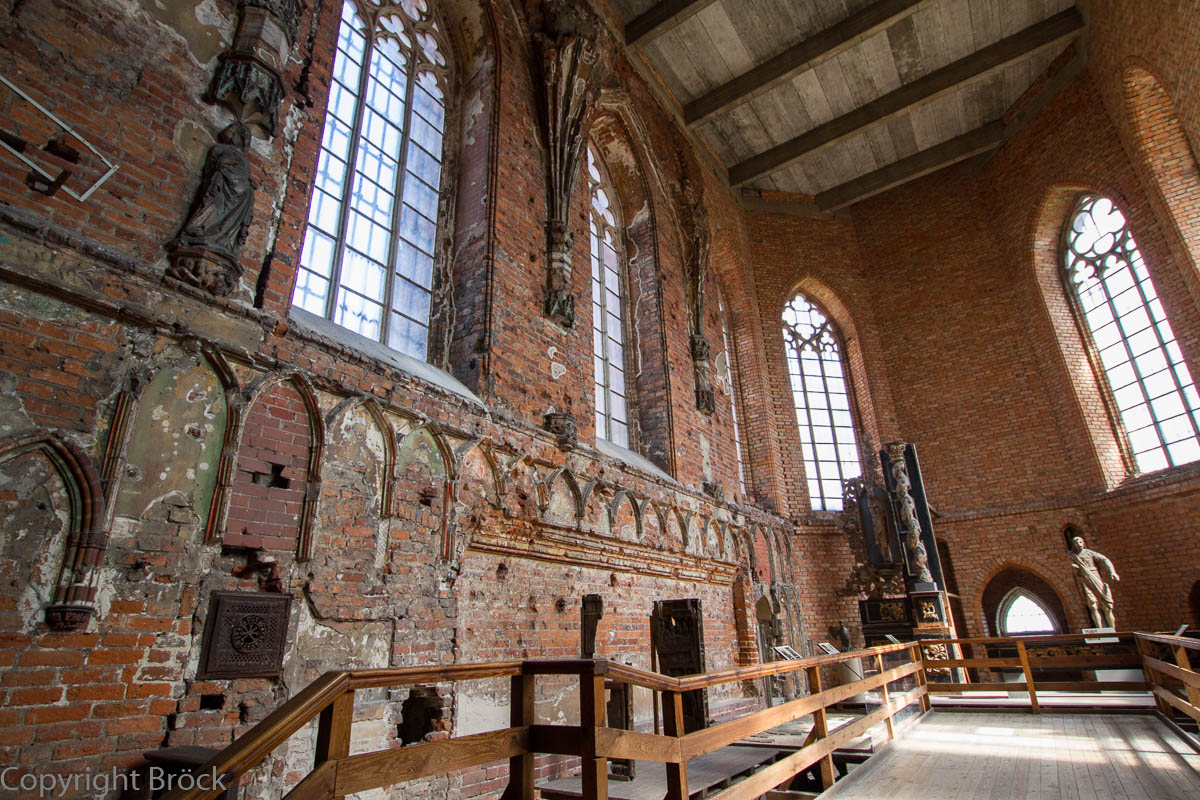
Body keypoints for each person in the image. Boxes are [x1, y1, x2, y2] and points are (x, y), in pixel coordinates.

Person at [1069, 535, 1120, 628]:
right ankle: (1099, 629)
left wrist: (1113, 572)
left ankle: (1112, 629)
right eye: (1076, 543)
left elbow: (1105, 559)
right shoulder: (1072, 555)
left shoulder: (1090, 553)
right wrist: (1074, 568)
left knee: (1106, 605)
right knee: (1092, 605)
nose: (1078, 544)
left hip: (1095, 575)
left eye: (1080, 542)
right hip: (1084, 578)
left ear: (1083, 543)